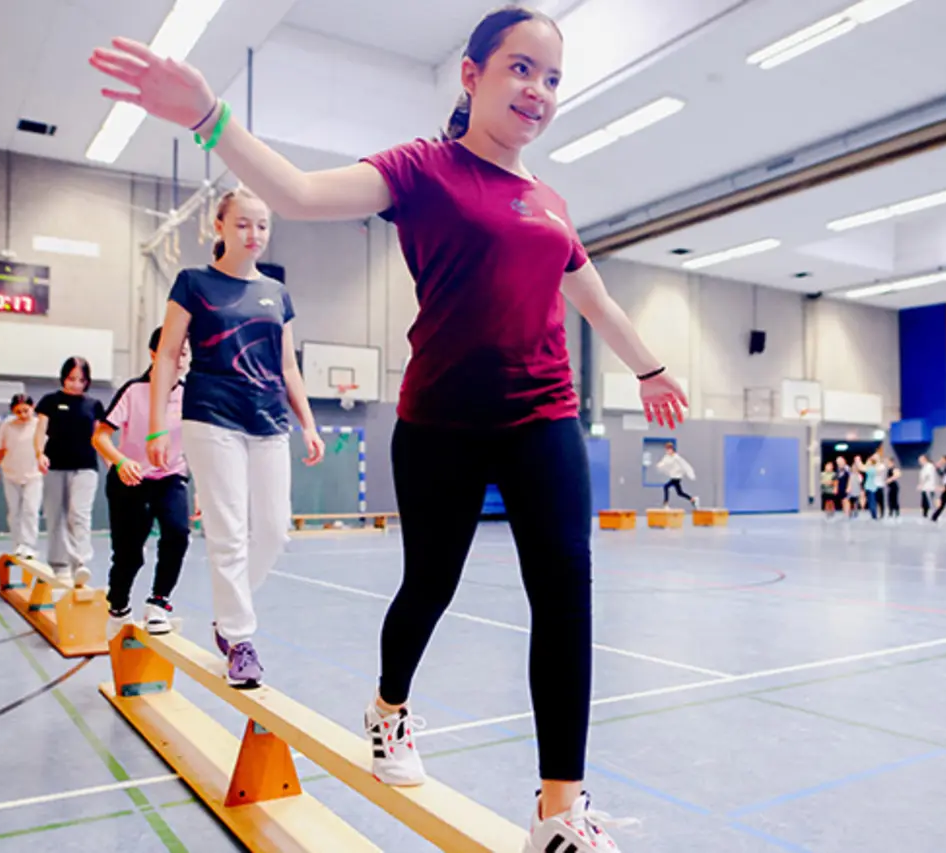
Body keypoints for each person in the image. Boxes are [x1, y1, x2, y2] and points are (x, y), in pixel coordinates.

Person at [91, 8, 689, 848]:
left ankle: (560, 810)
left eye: (552, 78)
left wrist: (651, 366)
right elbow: (298, 192)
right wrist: (206, 116)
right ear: (472, 76)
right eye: (521, 69)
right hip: (440, 420)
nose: (539, 91)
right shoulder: (423, 170)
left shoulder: (548, 201)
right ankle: (389, 706)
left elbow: (594, 300)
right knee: (430, 586)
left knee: (565, 595)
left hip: (544, 415)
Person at [149, 187, 324, 688]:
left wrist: (308, 423)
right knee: (227, 531)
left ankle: (227, 616)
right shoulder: (193, 282)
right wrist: (159, 423)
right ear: (219, 227)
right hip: (211, 415)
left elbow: (288, 364)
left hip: (269, 419)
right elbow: (166, 356)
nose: (254, 234)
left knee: (272, 531)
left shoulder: (276, 292)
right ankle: (241, 640)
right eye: (243, 223)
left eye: (263, 225)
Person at [93, 327, 192, 635]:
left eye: (185, 353)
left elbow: (200, 444)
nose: (180, 360)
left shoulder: (190, 396)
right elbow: (100, 436)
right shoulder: (134, 391)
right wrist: (121, 461)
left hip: (171, 476)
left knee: (178, 532)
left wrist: (202, 489)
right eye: (174, 352)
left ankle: (159, 603)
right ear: (155, 355)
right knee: (129, 554)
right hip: (131, 478)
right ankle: (118, 604)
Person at [35, 357, 104, 585]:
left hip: (85, 466)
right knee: (56, 514)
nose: (76, 384)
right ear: (64, 377)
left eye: (81, 380)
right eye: (72, 379)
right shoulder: (50, 401)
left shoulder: (94, 405)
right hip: (55, 465)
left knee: (79, 514)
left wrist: (112, 462)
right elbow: (40, 431)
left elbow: (100, 438)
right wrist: (39, 453)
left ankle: (81, 562)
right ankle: (59, 565)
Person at [0, 393, 43, 559]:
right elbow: (0, 449)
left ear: (32, 407)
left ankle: (29, 545)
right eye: (18, 412)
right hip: (11, 474)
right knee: (14, 512)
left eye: (26, 410)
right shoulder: (7, 425)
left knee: (31, 510)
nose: (22, 415)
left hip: (33, 474)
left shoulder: (39, 424)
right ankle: (18, 544)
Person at [656, 442, 698, 508]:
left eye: (669, 449)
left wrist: (690, 474)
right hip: (673, 476)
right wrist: (659, 465)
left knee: (666, 487)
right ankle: (692, 499)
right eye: (667, 449)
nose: (668, 451)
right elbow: (664, 462)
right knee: (679, 493)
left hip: (677, 477)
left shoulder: (676, 457)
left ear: (672, 449)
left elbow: (684, 465)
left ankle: (666, 503)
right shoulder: (667, 457)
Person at [864, 452, 885, 520]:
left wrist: (871, 466)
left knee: (880, 501)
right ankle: (874, 514)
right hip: (872, 486)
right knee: (873, 501)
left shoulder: (882, 465)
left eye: (876, 457)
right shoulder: (871, 465)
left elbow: (877, 471)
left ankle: (881, 514)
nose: (874, 458)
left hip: (879, 485)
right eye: (874, 456)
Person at [918, 454, 938, 518]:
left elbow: (927, 476)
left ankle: (934, 514)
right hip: (925, 488)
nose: (919, 461)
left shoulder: (929, 466)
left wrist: (921, 484)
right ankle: (925, 514)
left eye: (920, 459)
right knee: (924, 502)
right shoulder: (924, 467)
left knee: (929, 501)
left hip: (928, 487)